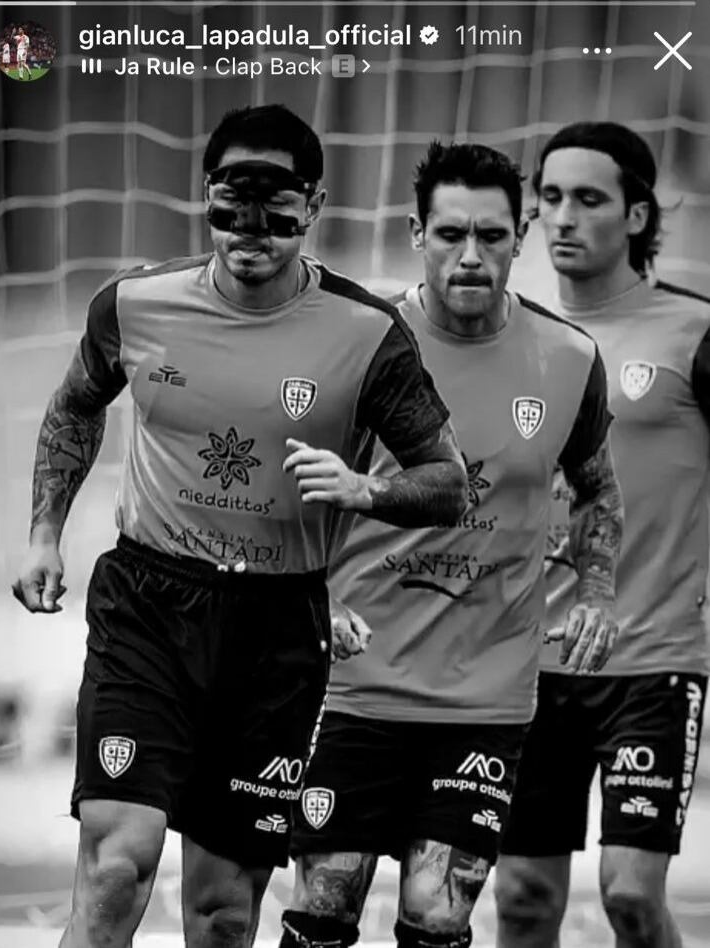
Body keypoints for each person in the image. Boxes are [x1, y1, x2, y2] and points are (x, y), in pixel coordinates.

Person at [11, 104, 468, 948]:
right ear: (208, 198)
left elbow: (447, 484)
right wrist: (44, 533)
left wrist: (363, 490)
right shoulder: (136, 305)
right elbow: (76, 404)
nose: (249, 231)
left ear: (313, 206)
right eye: (230, 206)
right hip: (149, 606)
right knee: (118, 866)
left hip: (278, 631)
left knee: (223, 913)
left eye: (275, 210)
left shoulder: (368, 334)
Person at [280, 141, 622, 948]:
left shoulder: (569, 358)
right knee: (324, 910)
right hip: (353, 688)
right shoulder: (358, 344)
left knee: (437, 916)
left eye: (492, 236)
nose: (470, 256)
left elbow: (598, 487)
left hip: (485, 700)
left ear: (521, 236)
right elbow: (284, 492)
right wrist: (312, 597)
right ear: (414, 232)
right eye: (449, 234)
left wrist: (599, 592)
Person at [496, 122, 710, 948]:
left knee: (628, 894)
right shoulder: (505, 333)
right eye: (548, 198)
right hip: (527, 664)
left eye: (587, 199)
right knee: (519, 897)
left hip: (650, 659)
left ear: (635, 215)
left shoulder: (693, 334)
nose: (561, 217)